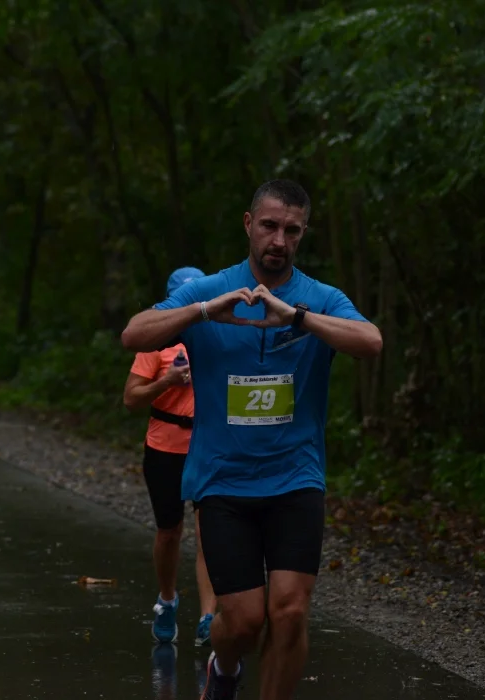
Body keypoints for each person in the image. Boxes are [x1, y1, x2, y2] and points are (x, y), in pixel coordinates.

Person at [120, 180, 383, 700]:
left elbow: (371, 341)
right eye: (269, 226)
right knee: (242, 623)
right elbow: (134, 333)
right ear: (248, 224)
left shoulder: (319, 298)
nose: (278, 240)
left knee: (288, 612)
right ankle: (224, 668)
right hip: (224, 482)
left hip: (295, 478)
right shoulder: (211, 290)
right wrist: (202, 312)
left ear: (303, 234)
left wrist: (299, 319)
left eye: (291, 230)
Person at [123, 266, 218, 647]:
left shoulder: (216, 339)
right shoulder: (156, 344)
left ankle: (209, 618)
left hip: (208, 445)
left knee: (209, 533)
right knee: (170, 531)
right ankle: (167, 599)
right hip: (165, 447)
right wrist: (166, 381)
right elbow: (130, 399)